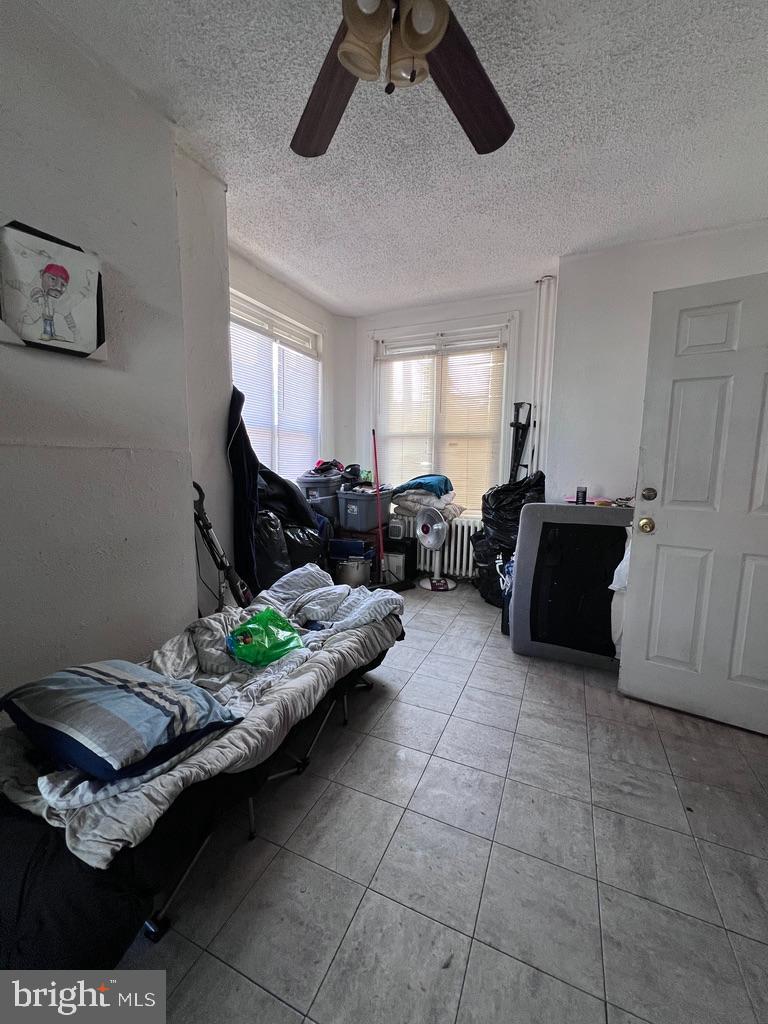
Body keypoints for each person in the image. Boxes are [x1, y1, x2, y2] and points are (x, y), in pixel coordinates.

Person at [7, 262, 94, 343]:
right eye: (52, 279)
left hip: (46, 320)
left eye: (63, 285)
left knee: (50, 324)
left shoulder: (56, 302)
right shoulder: (35, 290)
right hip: (27, 323)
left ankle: (50, 335)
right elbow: (23, 287)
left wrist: (75, 331)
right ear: (42, 275)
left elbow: (67, 310)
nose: (58, 287)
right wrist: (7, 281)